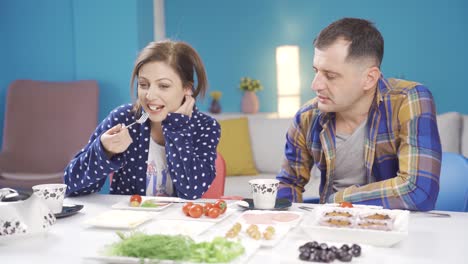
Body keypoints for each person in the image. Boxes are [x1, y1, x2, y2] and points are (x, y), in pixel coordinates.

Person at [276, 18, 441, 211]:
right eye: (316, 71)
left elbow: (418, 191)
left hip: (392, 228)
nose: (315, 85)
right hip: (329, 226)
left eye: (330, 75)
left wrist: (337, 201)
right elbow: (288, 183)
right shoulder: (307, 116)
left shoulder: (409, 100)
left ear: (369, 79)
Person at [64, 40, 220, 199]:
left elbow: (192, 191)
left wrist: (178, 128)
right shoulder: (123, 118)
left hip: (178, 223)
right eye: (144, 84)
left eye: (164, 86)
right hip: (127, 222)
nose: (149, 96)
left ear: (187, 88)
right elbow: (71, 186)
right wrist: (104, 150)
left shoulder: (205, 127)